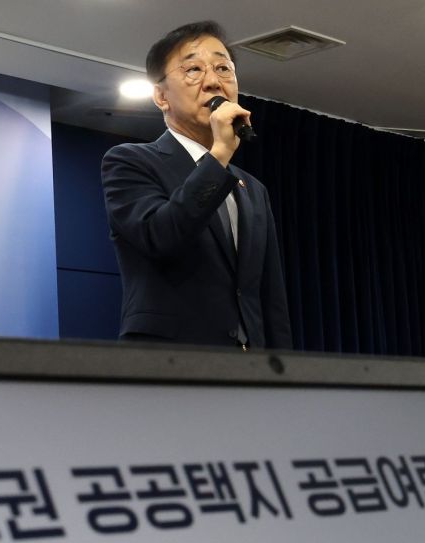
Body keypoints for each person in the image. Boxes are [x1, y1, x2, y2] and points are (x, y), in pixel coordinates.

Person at [101, 21, 293, 350]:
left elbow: (269, 295)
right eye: (193, 69)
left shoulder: (252, 188)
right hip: (169, 359)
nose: (213, 82)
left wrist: (282, 370)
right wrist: (219, 156)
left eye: (223, 68)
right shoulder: (129, 161)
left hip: (249, 365)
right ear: (161, 96)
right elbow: (161, 236)